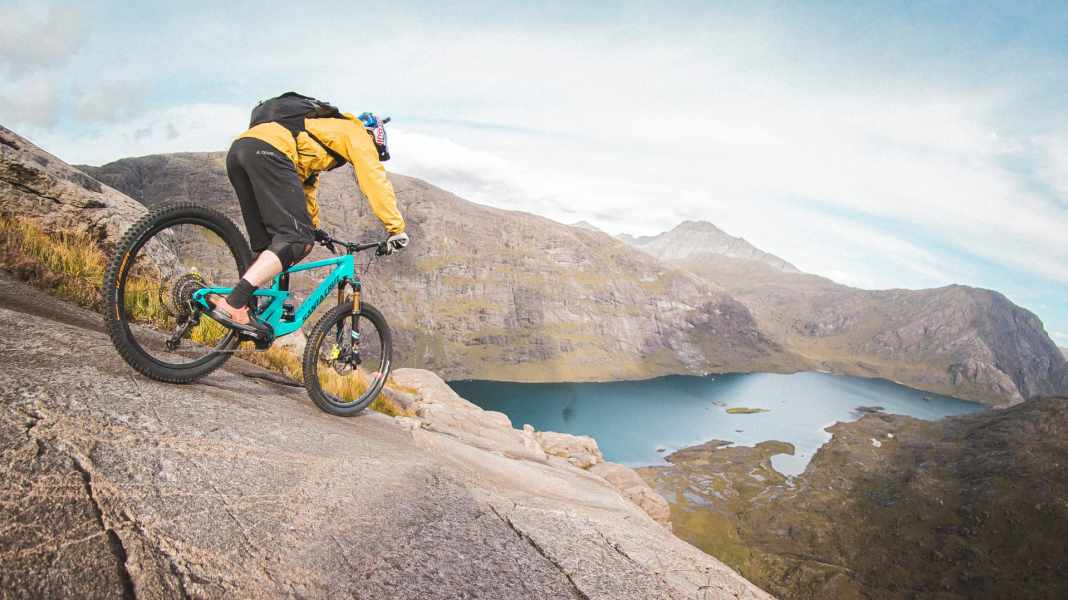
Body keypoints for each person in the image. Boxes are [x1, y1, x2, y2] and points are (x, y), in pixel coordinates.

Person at [208, 95, 409, 338]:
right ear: (373, 135)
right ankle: (235, 302)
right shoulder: (355, 132)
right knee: (296, 240)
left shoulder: (318, 131)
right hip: (270, 152)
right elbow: (374, 179)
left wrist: (313, 226)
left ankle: (247, 315)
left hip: (240, 151)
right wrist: (395, 227)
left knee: (268, 246)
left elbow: (304, 184)